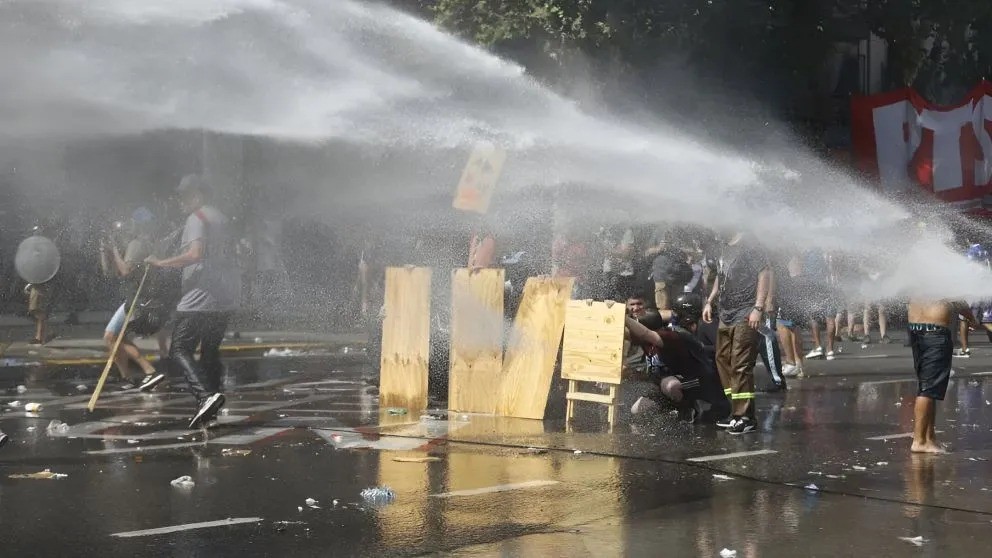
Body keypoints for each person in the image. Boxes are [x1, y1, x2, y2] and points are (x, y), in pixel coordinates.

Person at [146, 174, 241, 429]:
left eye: (183, 196)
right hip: (226, 296)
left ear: (197, 196)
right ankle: (213, 401)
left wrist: (160, 264)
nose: (180, 201)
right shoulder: (221, 218)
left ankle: (205, 397)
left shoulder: (197, 218)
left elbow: (194, 255)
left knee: (179, 349)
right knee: (209, 351)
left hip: (201, 296)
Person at [702, 231, 772, 434]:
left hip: (746, 311)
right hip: (726, 312)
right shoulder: (723, 246)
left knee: (740, 363)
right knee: (722, 358)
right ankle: (736, 412)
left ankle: (746, 417)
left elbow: (764, 273)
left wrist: (758, 307)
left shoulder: (751, 244)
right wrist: (710, 301)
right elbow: (721, 276)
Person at [627, 293, 730, 423]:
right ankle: (672, 408)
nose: (674, 316)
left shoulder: (672, 337)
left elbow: (647, 333)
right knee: (637, 410)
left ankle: (686, 409)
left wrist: (625, 319)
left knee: (671, 385)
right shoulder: (647, 340)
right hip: (670, 381)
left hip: (695, 381)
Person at [99, 207, 165, 391]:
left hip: (137, 299)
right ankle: (126, 377)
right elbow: (110, 272)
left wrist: (114, 251)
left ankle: (148, 370)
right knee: (113, 337)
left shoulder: (137, 244)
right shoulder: (151, 243)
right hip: (142, 298)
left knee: (112, 337)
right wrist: (109, 252)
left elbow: (125, 271)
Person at [906, 300, 976, 453]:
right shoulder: (941, 277)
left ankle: (929, 437)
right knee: (928, 389)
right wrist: (973, 318)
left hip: (916, 330)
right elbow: (958, 301)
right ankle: (919, 441)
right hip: (935, 332)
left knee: (928, 386)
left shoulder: (915, 277)